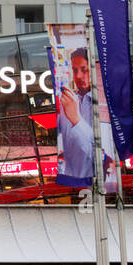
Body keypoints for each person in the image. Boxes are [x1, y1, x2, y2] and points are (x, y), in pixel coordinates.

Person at [57, 48, 94, 181]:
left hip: (98, 180)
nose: (78, 76)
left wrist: (76, 120)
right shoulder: (66, 102)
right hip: (70, 178)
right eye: (74, 70)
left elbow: (99, 151)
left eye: (84, 70)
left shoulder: (103, 103)